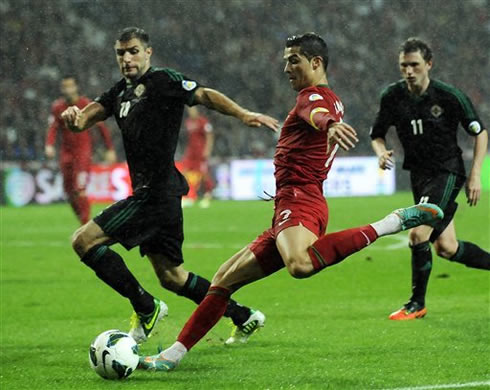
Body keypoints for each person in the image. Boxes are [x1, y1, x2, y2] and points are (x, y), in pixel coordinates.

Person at [138, 32, 444, 371]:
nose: (286, 67)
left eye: (293, 59)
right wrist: (328, 123)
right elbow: (322, 115)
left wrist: (328, 125)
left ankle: (392, 222)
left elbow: (317, 114)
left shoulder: (311, 97)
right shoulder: (328, 98)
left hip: (301, 199)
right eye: (286, 59)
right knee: (223, 280)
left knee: (299, 264)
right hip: (290, 203)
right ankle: (171, 357)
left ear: (315, 63)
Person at [61, 27, 279, 345]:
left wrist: (242, 113)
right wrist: (73, 118)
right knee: (172, 277)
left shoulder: (164, 81)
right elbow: (85, 118)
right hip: (159, 195)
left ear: (148, 52)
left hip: (155, 193)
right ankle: (243, 316)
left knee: (83, 241)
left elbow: (203, 95)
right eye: (121, 53)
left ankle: (145, 308)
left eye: (133, 51)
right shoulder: (119, 92)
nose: (127, 58)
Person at [370, 37, 490, 320]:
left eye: (414, 65)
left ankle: (417, 303)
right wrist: (380, 152)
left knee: (417, 233)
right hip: (419, 175)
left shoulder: (448, 96)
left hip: (447, 172)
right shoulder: (392, 96)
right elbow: (377, 133)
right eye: (403, 66)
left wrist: (475, 176)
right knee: (447, 248)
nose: (408, 71)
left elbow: (480, 132)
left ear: (428, 64)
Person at [45, 76, 116, 225]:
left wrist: (109, 148)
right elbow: (53, 127)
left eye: (70, 86)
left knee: (80, 189)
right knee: (69, 193)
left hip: (83, 152)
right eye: (65, 87)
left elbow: (101, 127)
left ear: (76, 87)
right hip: (66, 153)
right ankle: (83, 221)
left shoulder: (86, 104)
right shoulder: (57, 107)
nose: (68, 90)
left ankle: (85, 226)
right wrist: (49, 145)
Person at [180, 106, 214, 208]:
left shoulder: (203, 122)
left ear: (197, 111)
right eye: (189, 110)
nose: (191, 112)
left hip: (200, 152)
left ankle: (208, 195)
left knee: (204, 173)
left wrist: (207, 150)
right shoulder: (188, 122)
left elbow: (210, 136)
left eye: (193, 110)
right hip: (191, 152)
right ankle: (187, 196)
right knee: (184, 172)